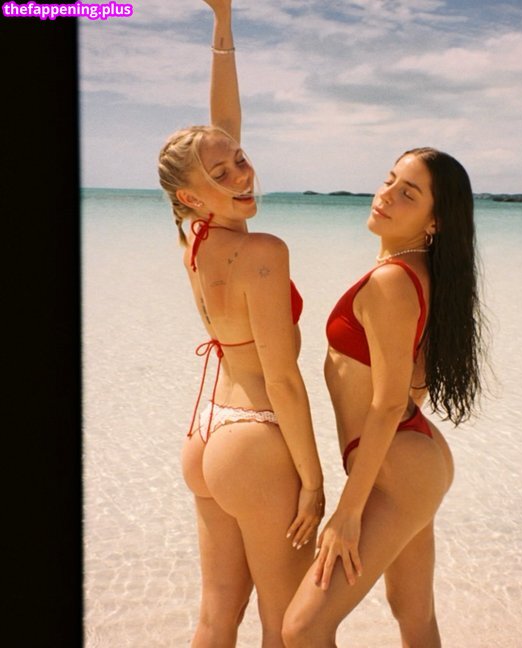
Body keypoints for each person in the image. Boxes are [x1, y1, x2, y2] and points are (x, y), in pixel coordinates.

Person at [157, 2, 325, 646]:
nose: (242, 174)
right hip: (255, 438)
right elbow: (282, 380)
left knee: (216, 616)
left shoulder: (196, 238)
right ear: (190, 196)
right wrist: (314, 480)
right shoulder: (262, 252)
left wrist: (221, 21)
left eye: (242, 159)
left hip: (205, 434)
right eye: (221, 175)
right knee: (292, 628)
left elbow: (221, 127)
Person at [282, 147, 486, 647]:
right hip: (416, 459)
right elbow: (414, 384)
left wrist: (348, 513)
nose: (386, 195)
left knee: (303, 628)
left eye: (408, 194)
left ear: (434, 221)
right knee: (414, 616)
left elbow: (390, 402)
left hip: (399, 469)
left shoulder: (393, 280)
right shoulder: (423, 273)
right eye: (390, 180)